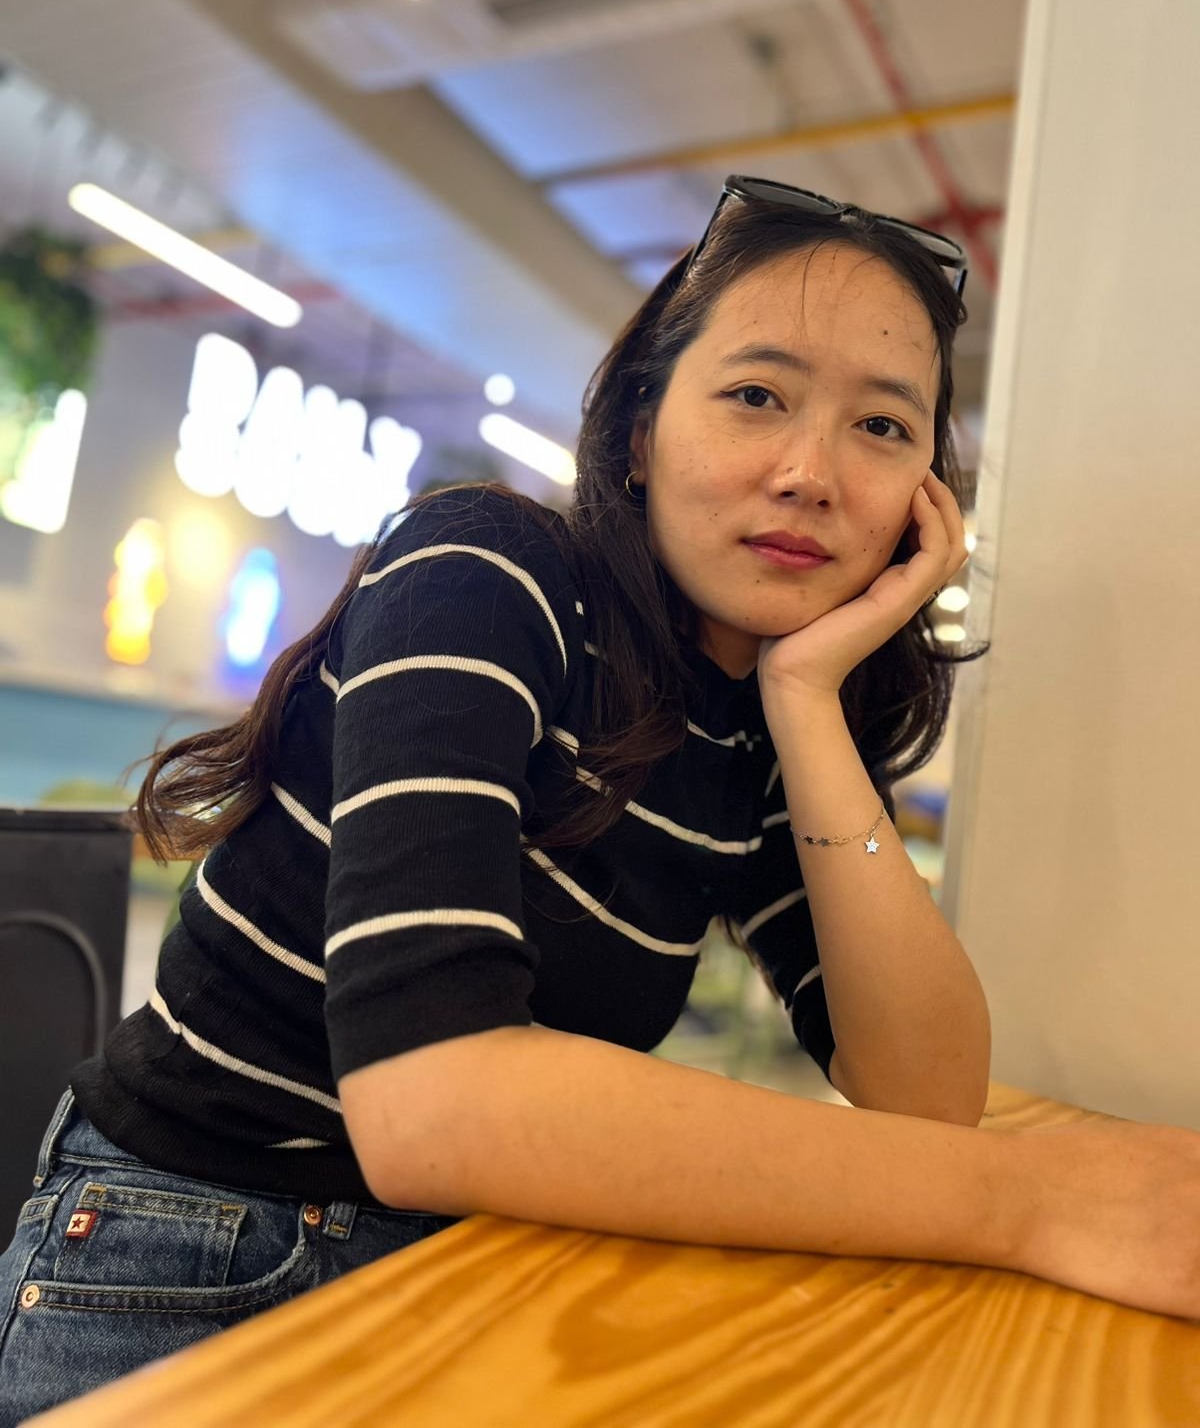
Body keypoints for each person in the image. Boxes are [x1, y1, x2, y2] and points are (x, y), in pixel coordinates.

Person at [2, 178, 1197, 1419]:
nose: (809, 472)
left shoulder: (761, 718)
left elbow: (928, 1088)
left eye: (884, 429)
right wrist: (1032, 1199)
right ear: (638, 431)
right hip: (187, 1246)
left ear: (924, 507)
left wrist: (804, 701)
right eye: (755, 397)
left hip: (476, 1251)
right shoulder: (486, 567)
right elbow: (435, 1098)